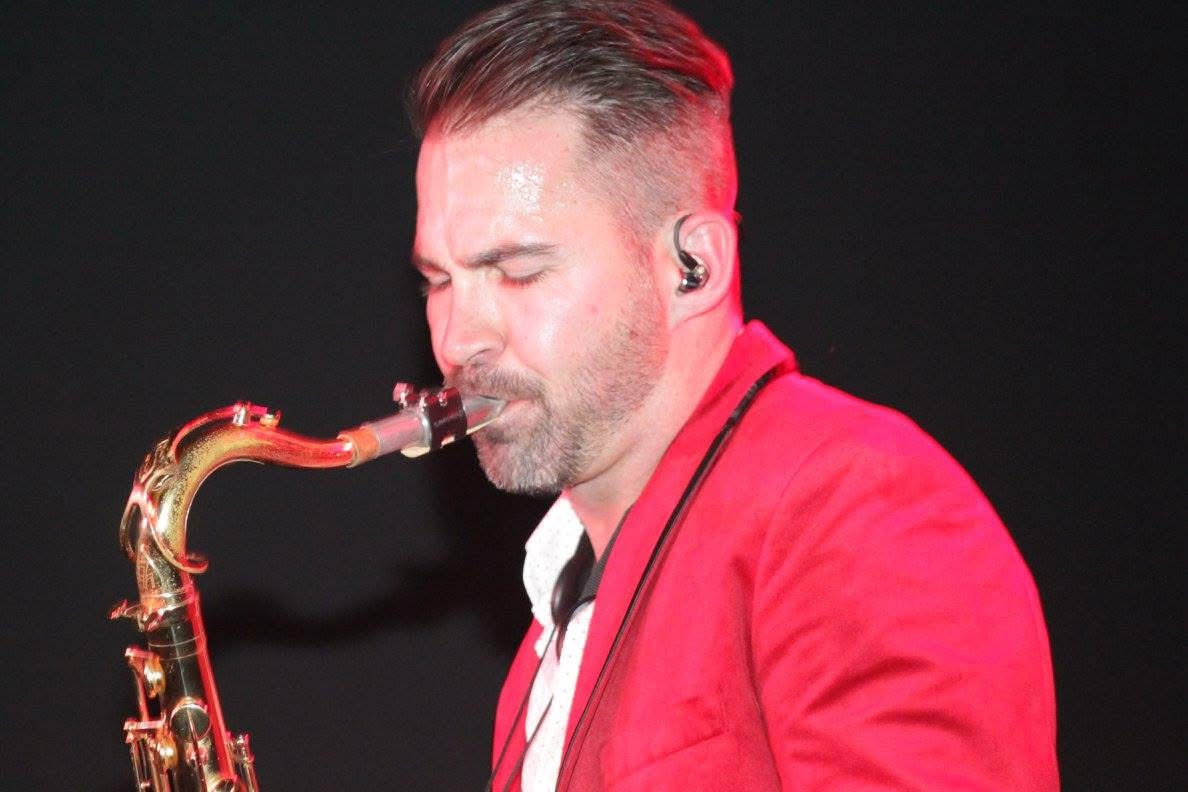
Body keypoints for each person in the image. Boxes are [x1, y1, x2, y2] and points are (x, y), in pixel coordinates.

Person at [407, 1, 1058, 789]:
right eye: (438, 281)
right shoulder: (544, 650)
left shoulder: (851, 507)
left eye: (517, 271)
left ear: (695, 267)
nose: (457, 341)